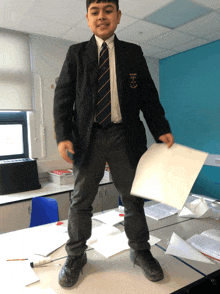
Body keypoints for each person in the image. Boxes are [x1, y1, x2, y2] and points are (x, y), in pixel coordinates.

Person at [54, 0, 174, 288]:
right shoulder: (76, 54)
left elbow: (148, 96)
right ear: (87, 18)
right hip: (88, 137)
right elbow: (63, 98)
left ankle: (141, 252)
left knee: (134, 198)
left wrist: (162, 129)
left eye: (108, 10)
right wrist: (63, 136)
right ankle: (76, 256)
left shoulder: (133, 52)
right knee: (81, 201)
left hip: (126, 136)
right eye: (95, 11)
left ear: (118, 16)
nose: (102, 16)